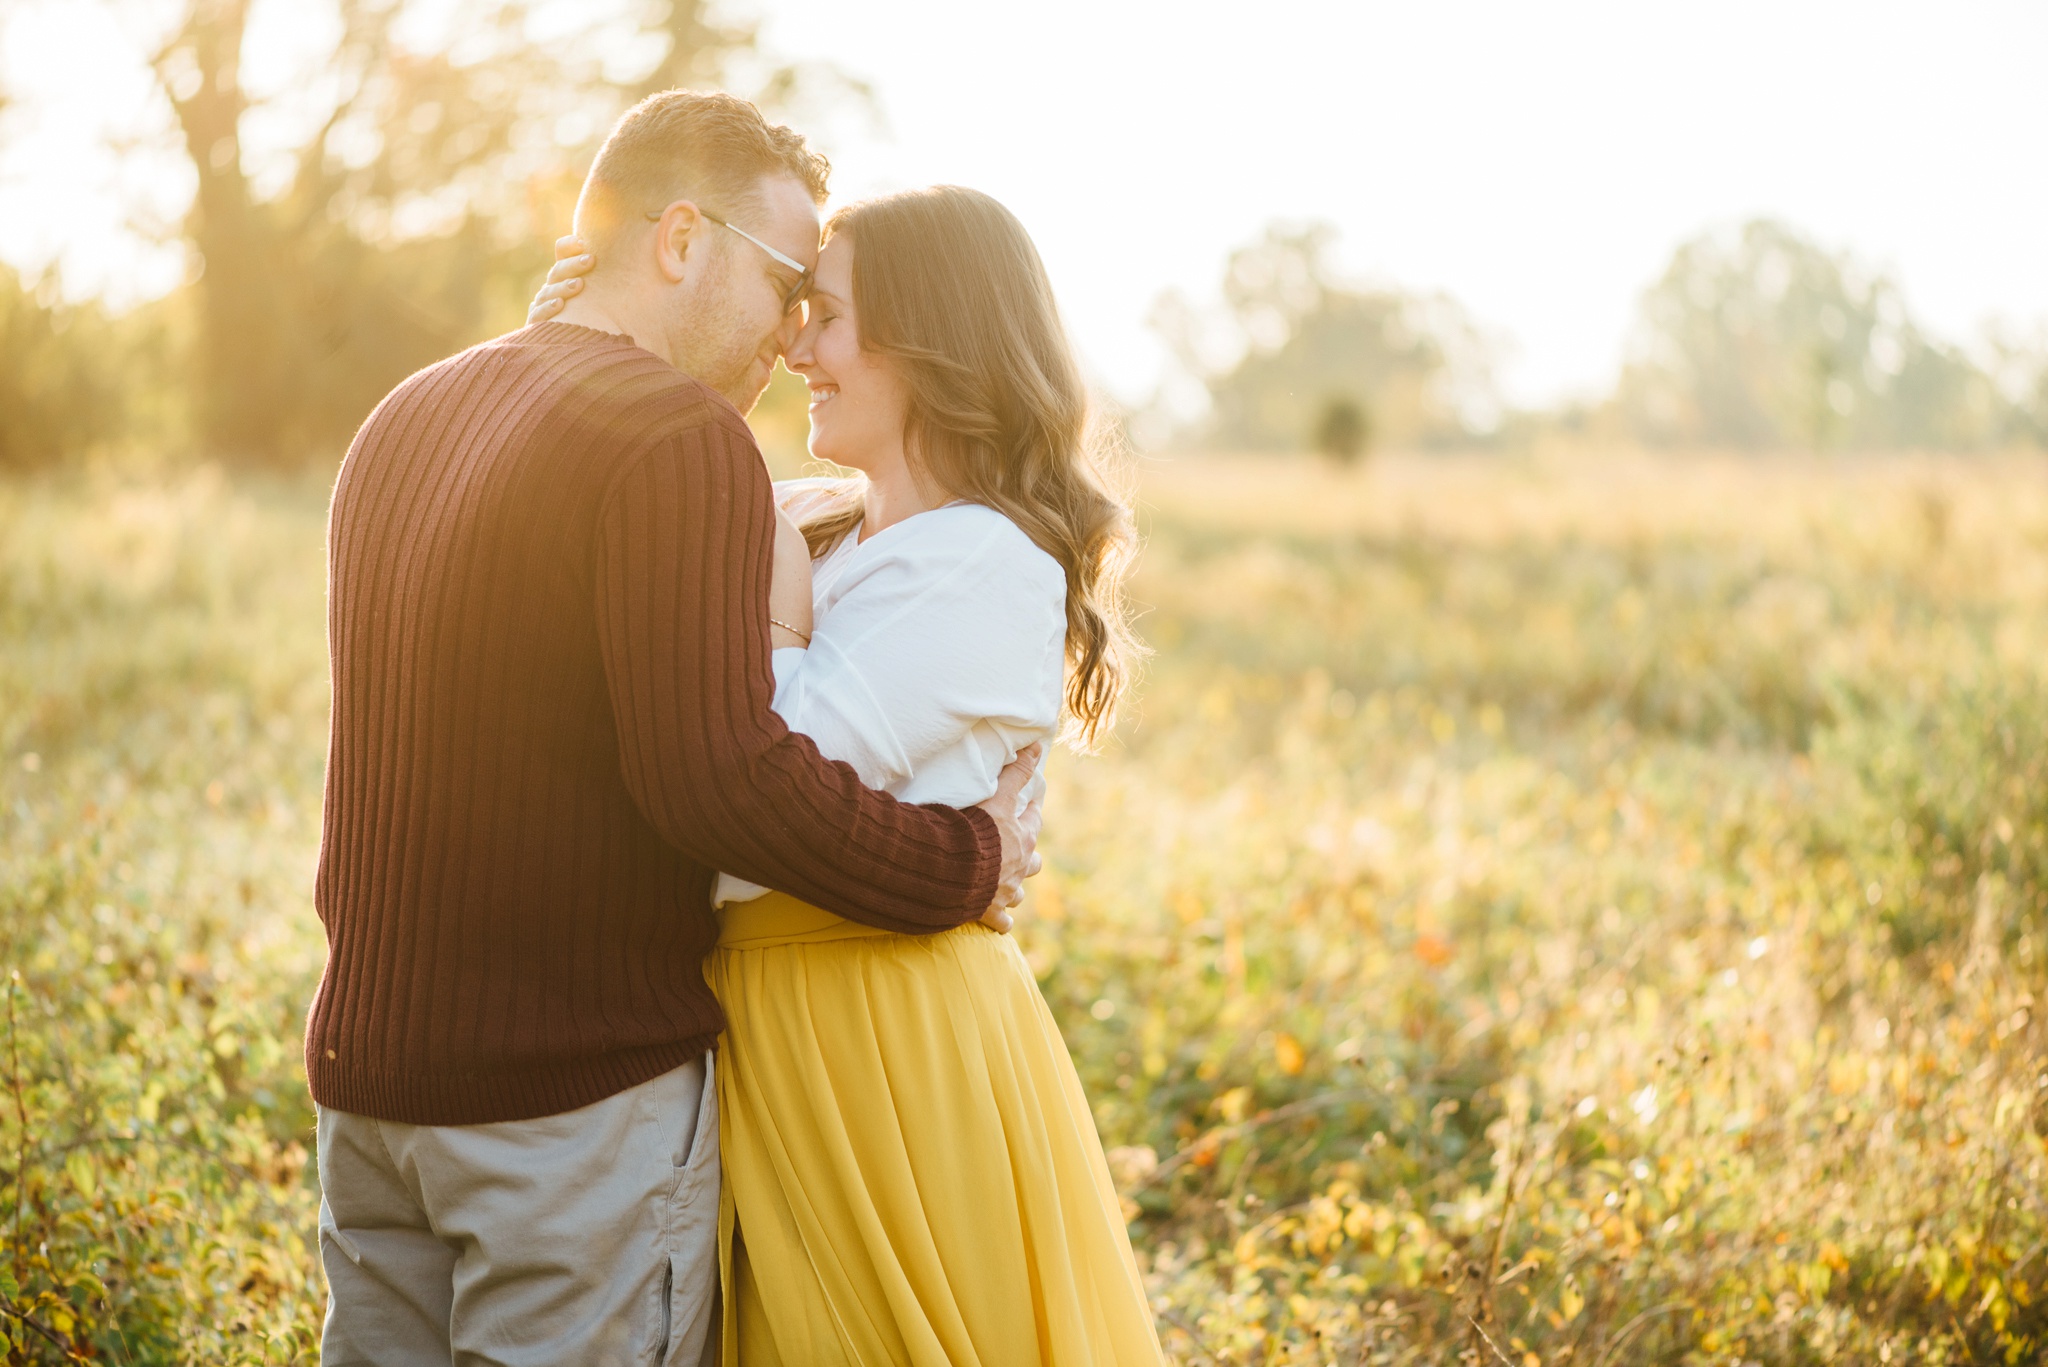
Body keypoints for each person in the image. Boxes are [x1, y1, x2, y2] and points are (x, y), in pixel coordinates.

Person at [310, 92, 1041, 1367]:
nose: (789, 329)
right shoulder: (673, 434)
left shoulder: (408, 413)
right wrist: (963, 863)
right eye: (783, 281)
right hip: (567, 1105)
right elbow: (718, 780)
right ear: (681, 237)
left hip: (371, 1086)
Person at [529, 186, 1165, 1365]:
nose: (796, 346)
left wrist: (770, 602)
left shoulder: (981, 558)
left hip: (881, 1031)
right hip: (764, 1021)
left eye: (825, 315)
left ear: (932, 344)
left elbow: (762, 782)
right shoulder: (820, 521)